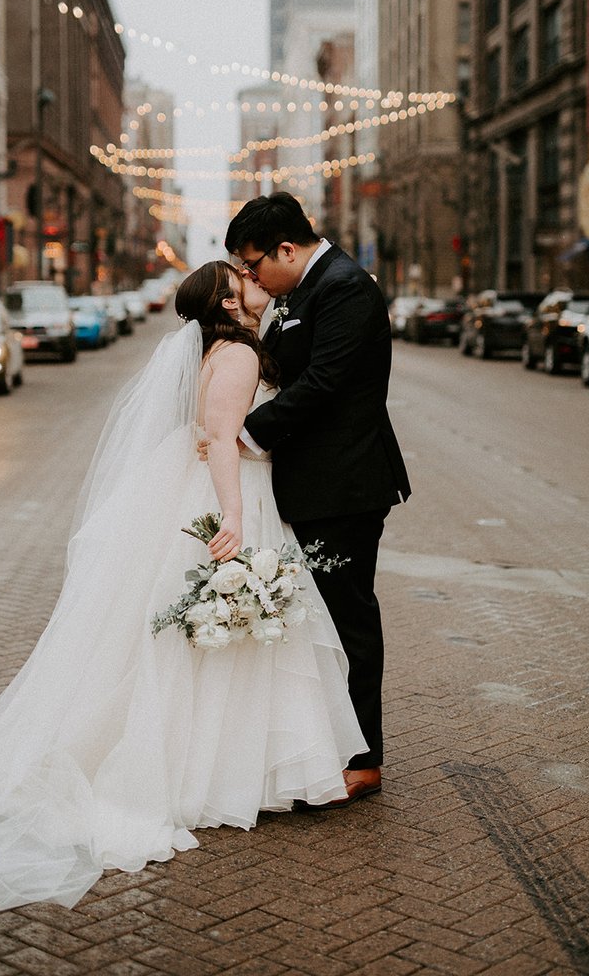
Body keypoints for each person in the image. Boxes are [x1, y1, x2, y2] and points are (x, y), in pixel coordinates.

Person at [0, 261, 365, 930]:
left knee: (221, 635)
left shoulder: (217, 349)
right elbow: (221, 438)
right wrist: (233, 517)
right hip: (233, 494)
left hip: (215, 486)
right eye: (241, 276)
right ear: (226, 301)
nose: (253, 278)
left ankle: (237, 766)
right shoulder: (239, 353)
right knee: (230, 632)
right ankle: (228, 773)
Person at [225, 193, 411, 808]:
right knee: (320, 620)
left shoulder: (345, 288)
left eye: (254, 264)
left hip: (343, 486)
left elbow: (325, 381)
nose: (252, 278)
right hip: (312, 484)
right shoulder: (302, 290)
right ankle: (328, 743)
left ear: (286, 249)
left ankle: (364, 759)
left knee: (348, 617)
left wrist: (246, 432)